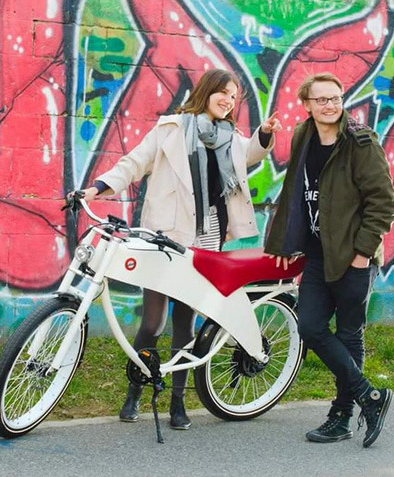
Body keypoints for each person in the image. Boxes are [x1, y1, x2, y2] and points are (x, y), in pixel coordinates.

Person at [78, 68, 282, 430]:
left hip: (206, 239)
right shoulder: (170, 129)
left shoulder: (229, 138)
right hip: (166, 237)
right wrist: (97, 188)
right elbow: (133, 164)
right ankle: (135, 391)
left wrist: (265, 134)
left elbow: (249, 154)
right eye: (223, 92)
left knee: (184, 323)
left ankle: (177, 401)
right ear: (206, 91)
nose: (228, 100)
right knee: (152, 323)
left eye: (233, 96)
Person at [265, 72, 394, 448]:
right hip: (318, 254)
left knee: (349, 334)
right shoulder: (303, 136)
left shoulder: (360, 141)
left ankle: (341, 417)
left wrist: (362, 254)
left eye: (335, 98)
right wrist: (284, 241)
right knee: (310, 327)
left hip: (354, 257)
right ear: (307, 105)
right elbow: (295, 191)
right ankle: (370, 395)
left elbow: (383, 203)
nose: (330, 105)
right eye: (321, 99)